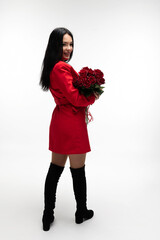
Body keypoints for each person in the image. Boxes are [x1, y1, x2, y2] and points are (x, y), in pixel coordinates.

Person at [39, 27, 99, 231]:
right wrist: (93, 96)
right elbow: (74, 98)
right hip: (71, 122)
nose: (68, 48)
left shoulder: (53, 67)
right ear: (55, 45)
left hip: (59, 122)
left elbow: (68, 94)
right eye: (64, 44)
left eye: (71, 44)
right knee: (78, 171)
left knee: (55, 170)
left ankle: (47, 215)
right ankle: (81, 212)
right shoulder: (61, 68)